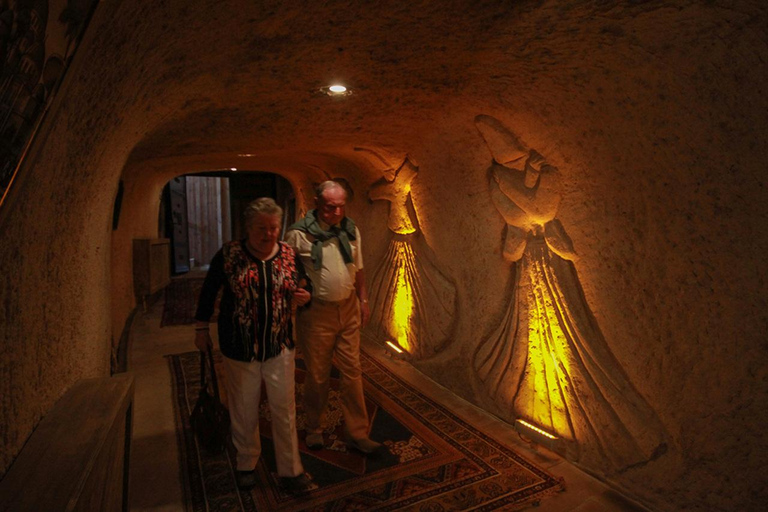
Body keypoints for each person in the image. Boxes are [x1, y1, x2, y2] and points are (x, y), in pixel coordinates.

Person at [194, 197, 316, 493]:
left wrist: (306, 295)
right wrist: (200, 328)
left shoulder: (288, 254)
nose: (269, 233)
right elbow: (209, 293)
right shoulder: (229, 255)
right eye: (262, 228)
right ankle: (246, 462)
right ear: (247, 228)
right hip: (240, 347)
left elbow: (305, 283)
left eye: (274, 227)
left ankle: (291, 470)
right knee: (244, 407)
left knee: (284, 410)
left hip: (280, 345)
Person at [285, 181, 383, 454]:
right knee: (318, 374)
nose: (337, 212)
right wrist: (297, 291)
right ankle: (315, 427)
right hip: (317, 313)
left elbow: (359, 268)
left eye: (341, 206)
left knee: (352, 371)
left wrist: (363, 300)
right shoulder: (298, 235)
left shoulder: (351, 230)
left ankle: (358, 432)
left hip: (348, 308)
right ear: (317, 203)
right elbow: (286, 271)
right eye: (331, 207)